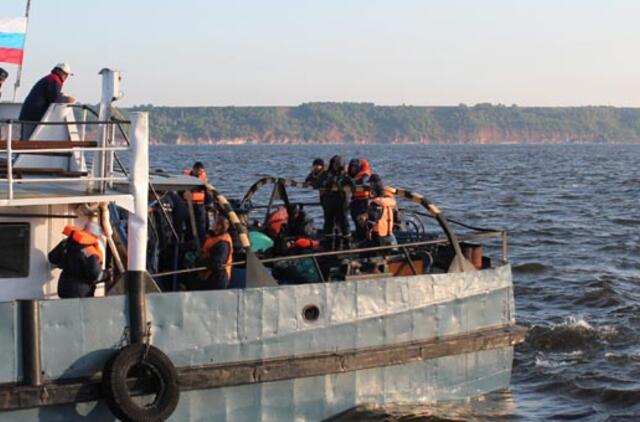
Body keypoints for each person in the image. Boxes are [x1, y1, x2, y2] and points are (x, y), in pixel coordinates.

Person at [19, 63, 76, 140]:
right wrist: (67, 99)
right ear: (58, 71)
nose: (66, 77)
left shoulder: (50, 78)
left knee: (27, 140)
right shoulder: (54, 80)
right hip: (33, 116)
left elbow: (51, 95)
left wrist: (61, 96)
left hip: (30, 114)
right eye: (65, 74)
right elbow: (54, 98)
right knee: (27, 141)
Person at [48, 222, 104, 298]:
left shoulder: (66, 243)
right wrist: (107, 275)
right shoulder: (90, 251)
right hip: (81, 294)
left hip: (64, 289)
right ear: (94, 235)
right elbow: (94, 274)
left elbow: (52, 258)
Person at [320, 155, 351, 249]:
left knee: (343, 223)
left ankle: (346, 243)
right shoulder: (326, 174)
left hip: (341, 202)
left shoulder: (345, 175)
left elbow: (351, 184)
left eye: (337, 164)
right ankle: (329, 244)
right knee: (328, 223)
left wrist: (338, 184)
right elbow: (317, 182)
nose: (335, 166)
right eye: (333, 163)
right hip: (329, 202)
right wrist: (327, 184)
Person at [197, 217, 233, 290]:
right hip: (209, 274)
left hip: (218, 278)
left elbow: (218, 262)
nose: (212, 224)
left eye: (214, 223)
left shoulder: (223, 243)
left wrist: (201, 262)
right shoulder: (214, 237)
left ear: (219, 226)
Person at [183, 161, 210, 246]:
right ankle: (188, 243)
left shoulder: (204, 179)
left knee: (201, 227)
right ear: (194, 170)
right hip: (188, 205)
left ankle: (202, 244)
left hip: (200, 205)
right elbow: (180, 191)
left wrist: (207, 205)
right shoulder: (186, 177)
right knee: (189, 226)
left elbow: (208, 193)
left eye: (201, 172)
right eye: (198, 171)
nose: (200, 173)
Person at [366, 174, 398, 247]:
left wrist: (369, 230)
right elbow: (396, 215)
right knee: (393, 249)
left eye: (371, 184)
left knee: (367, 252)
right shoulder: (390, 201)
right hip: (389, 233)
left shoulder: (376, 202)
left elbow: (372, 218)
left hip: (377, 234)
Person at [347, 158, 372, 241]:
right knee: (356, 221)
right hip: (355, 201)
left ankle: (365, 240)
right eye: (351, 167)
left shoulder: (365, 175)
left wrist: (353, 183)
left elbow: (365, 184)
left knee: (363, 223)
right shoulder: (351, 176)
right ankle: (360, 238)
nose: (352, 169)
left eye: (354, 167)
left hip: (363, 202)